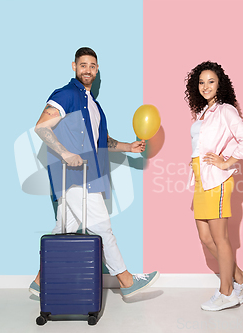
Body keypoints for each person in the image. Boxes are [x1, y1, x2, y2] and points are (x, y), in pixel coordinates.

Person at [29, 47, 159, 298]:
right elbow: (41, 127)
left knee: (62, 231)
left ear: (97, 70)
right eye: (83, 65)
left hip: (90, 174)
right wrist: (66, 153)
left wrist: (128, 147)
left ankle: (38, 282)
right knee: (103, 227)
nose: (87, 70)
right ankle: (126, 280)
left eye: (92, 66)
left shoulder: (93, 104)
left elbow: (101, 140)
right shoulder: (65, 94)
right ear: (74, 66)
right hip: (75, 175)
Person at [185, 61, 243, 311]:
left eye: (210, 81)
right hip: (201, 179)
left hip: (217, 180)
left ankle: (227, 293)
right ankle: (241, 278)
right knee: (206, 237)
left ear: (220, 84)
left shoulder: (226, 110)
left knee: (220, 238)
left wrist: (227, 162)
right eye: (201, 82)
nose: (205, 86)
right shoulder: (204, 112)